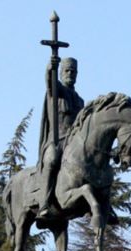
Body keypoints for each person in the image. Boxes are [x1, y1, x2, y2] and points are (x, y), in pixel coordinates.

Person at [37, 56, 84, 221]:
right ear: (62, 73)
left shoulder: (79, 100)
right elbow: (50, 80)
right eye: (67, 71)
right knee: (51, 160)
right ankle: (45, 202)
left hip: (73, 143)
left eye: (73, 71)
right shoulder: (56, 92)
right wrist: (51, 67)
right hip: (57, 140)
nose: (70, 74)